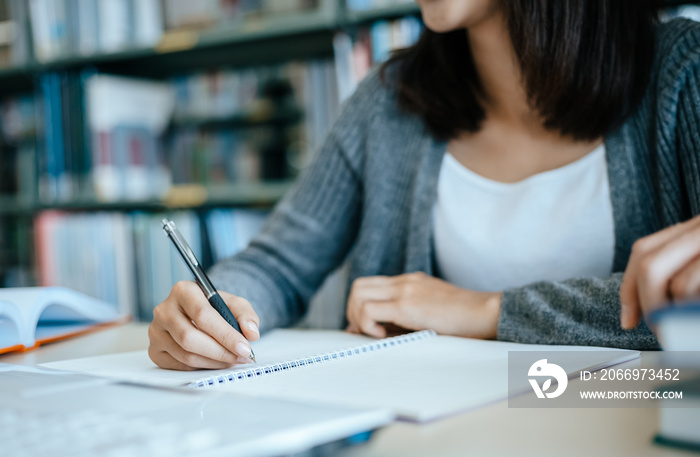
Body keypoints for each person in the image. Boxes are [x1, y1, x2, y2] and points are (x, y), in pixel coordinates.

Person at [148, 0, 700, 370]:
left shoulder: (683, 71)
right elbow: (277, 265)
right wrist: (209, 312)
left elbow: (683, 299)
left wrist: (485, 311)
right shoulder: (388, 100)